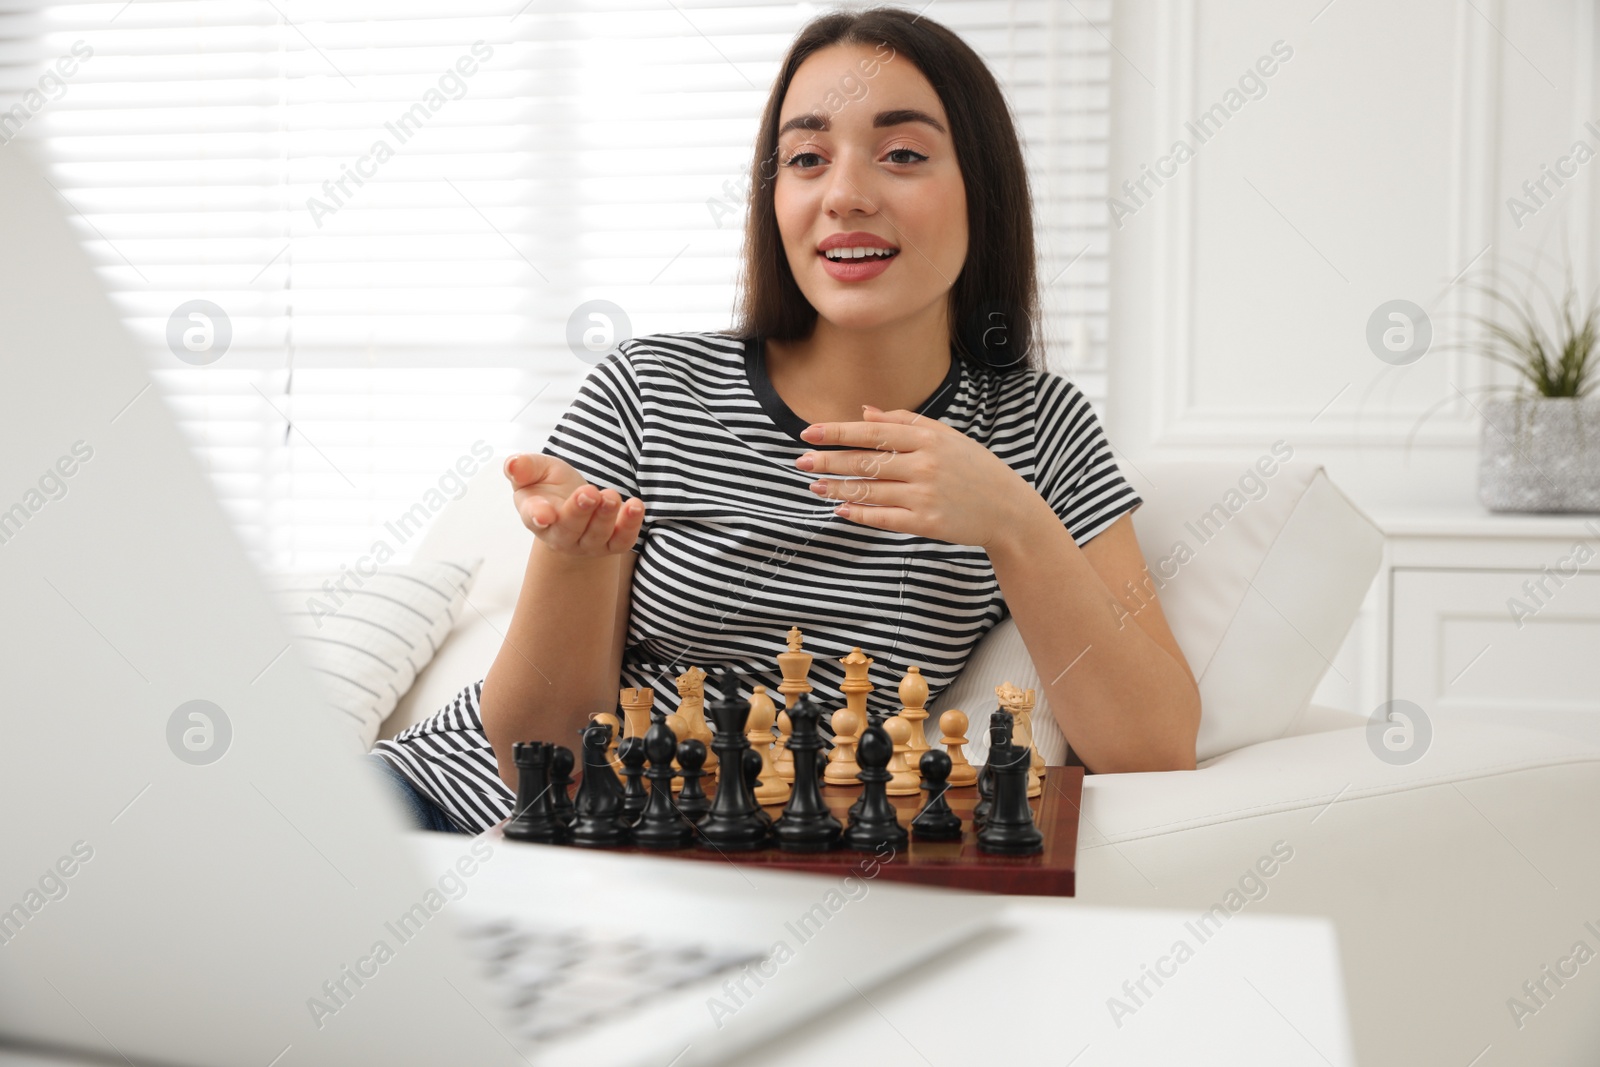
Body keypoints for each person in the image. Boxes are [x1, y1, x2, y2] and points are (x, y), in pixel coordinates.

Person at [368, 6, 1201, 834]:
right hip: (447, 808)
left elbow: (1155, 744)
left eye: (902, 155)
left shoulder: (1038, 426)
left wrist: (1013, 521)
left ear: (981, 188)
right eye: (806, 158)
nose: (844, 195)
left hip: (729, 865)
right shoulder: (647, 390)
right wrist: (574, 555)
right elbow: (534, 757)